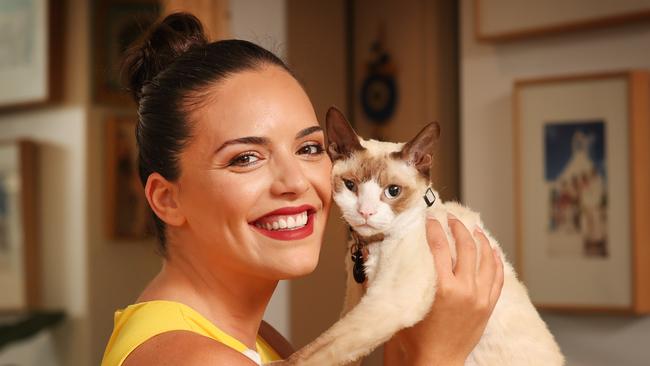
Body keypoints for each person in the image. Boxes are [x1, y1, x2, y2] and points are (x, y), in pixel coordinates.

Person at [101, 12, 504, 366]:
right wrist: (439, 357)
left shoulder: (259, 338)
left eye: (309, 148)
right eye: (245, 158)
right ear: (166, 199)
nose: (296, 182)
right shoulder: (193, 359)